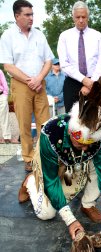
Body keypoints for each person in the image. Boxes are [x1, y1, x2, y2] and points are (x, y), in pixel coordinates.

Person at [18, 76, 101, 242]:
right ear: (70, 133)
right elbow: (52, 181)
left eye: (89, 144)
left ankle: (88, 204)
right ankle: (31, 181)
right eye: (80, 144)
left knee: (96, 163)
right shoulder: (51, 133)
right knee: (47, 213)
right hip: (54, 161)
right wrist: (70, 220)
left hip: (75, 163)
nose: (86, 148)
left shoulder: (99, 139)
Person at [0, 0, 54, 172]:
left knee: (45, 124)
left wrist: (38, 79)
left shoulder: (39, 34)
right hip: (21, 85)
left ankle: (44, 156)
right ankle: (29, 158)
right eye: (27, 15)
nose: (31, 18)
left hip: (40, 83)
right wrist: (31, 81)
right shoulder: (7, 36)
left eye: (32, 14)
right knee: (24, 123)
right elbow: (8, 65)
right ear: (17, 16)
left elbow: (48, 60)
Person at [57, 1, 101, 113]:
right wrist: (84, 80)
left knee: (93, 120)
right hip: (72, 82)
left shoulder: (98, 36)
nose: (81, 20)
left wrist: (91, 83)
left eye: (83, 17)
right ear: (73, 17)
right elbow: (64, 63)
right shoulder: (64, 36)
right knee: (72, 121)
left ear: (88, 17)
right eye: (77, 17)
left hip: (94, 81)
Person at [0, 69, 12, 144]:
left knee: (4, 117)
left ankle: (7, 136)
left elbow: (4, 83)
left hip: (1, 96)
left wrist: (5, 95)